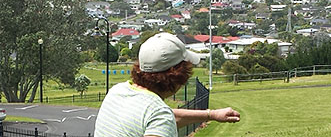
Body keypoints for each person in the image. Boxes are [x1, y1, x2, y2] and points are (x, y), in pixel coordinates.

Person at [94, 33, 241, 137]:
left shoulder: (117, 91)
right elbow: (160, 118)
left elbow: (160, 119)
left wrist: (212, 114)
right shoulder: (159, 114)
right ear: (178, 75)